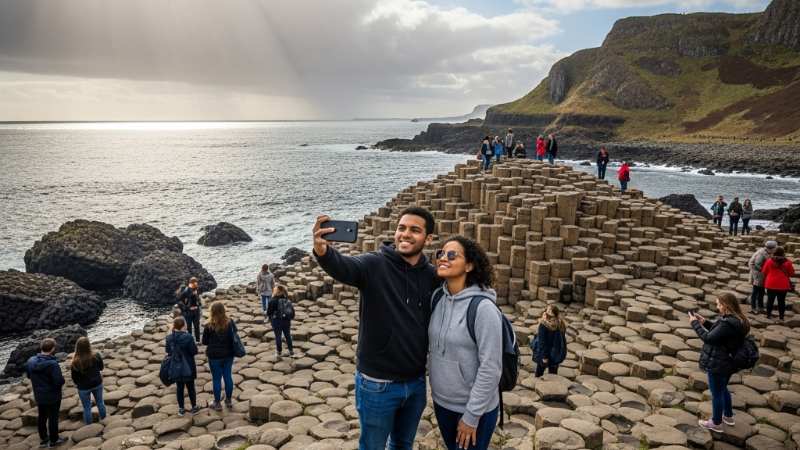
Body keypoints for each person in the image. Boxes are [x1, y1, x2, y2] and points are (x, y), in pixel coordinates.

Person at [312, 207, 439, 450]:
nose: (405, 234)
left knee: (403, 445)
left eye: (415, 230)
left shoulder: (432, 276)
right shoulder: (374, 263)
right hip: (377, 383)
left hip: (415, 382)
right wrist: (322, 250)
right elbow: (345, 267)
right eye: (402, 228)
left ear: (428, 239)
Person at [429, 236, 502, 450]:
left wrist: (471, 416)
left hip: (474, 409)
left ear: (469, 265)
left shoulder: (484, 310)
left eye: (452, 255)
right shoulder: (437, 299)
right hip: (442, 402)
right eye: (440, 253)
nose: (443, 258)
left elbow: (491, 368)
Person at [690, 291, 749, 433]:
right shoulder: (738, 319)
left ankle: (716, 422)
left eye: (718, 304)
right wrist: (705, 322)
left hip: (719, 362)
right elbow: (720, 333)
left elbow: (708, 338)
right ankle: (728, 416)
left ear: (725, 305)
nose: (717, 307)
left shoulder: (728, 322)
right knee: (722, 389)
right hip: (729, 361)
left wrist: (694, 324)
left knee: (716, 393)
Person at [26, 338, 69, 448]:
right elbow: (59, 381)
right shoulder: (52, 364)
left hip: (39, 395)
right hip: (52, 395)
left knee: (42, 416)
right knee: (53, 417)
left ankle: (43, 438)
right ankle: (54, 440)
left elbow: (29, 376)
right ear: (53, 348)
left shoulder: (31, 361)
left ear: (41, 348)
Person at [202, 301, 237, 410]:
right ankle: (228, 399)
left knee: (216, 379)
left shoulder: (209, 325)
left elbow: (204, 342)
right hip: (228, 354)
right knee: (228, 376)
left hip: (214, 356)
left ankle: (217, 403)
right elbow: (235, 334)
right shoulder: (230, 322)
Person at [166, 316, 201, 416]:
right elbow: (195, 351)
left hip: (176, 366)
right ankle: (194, 406)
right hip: (188, 365)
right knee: (190, 387)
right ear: (182, 326)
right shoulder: (188, 337)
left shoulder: (169, 338)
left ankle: (181, 409)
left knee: (179, 387)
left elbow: (168, 351)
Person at [70, 337, 107, 425]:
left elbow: (74, 378)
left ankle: (89, 426)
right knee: (100, 402)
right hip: (97, 383)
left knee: (87, 408)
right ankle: (104, 420)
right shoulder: (96, 356)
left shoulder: (75, 362)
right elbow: (101, 368)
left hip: (83, 387)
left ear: (77, 348)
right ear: (89, 346)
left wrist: (79, 384)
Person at [533, 305, 568, 377]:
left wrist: (544, 356)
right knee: (553, 375)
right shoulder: (560, 322)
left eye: (547, 309)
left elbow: (541, 341)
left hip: (545, 353)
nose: (545, 310)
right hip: (555, 353)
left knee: (538, 374)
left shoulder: (543, 325)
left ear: (551, 312)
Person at [763, 247, 795, 323]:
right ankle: (781, 317)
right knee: (781, 301)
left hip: (771, 283)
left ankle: (768, 315)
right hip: (783, 285)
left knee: (770, 300)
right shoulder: (788, 262)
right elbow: (791, 273)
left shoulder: (769, 261)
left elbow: (764, 271)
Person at [748, 241, 777, 315]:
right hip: (758, 274)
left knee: (761, 291)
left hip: (761, 274)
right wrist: (764, 271)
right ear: (770, 248)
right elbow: (757, 263)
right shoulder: (762, 253)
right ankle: (754, 307)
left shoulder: (765, 252)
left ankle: (760, 307)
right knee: (756, 290)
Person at [267, 285, 295, 358]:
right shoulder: (286, 299)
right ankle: (291, 351)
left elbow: (269, 312)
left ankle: (279, 352)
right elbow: (292, 310)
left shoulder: (272, 300)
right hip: (286, 320)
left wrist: (269, 318)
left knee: (278, 336)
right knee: (287, 335)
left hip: (276, 321)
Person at [177, 277, 202, 342]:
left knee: (197, 326)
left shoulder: (196, 290)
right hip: (188, 312)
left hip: (195, 311)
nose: (194, 286)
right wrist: (184, 308)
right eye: (193, 284)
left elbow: (198, 301)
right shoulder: (186, 291)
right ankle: (190, 340)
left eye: (195, 284)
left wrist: (197, 299)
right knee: (189, 327)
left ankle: (198, 340)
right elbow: (179, 299)